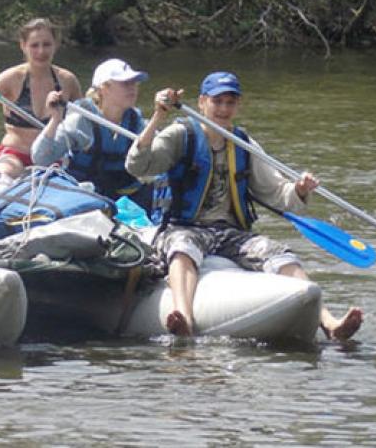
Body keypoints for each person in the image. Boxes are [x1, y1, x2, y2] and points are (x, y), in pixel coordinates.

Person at [125, 71, 363, 340]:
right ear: (202, 102)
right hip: (183, 226)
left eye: (230, 102)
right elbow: (137, 166)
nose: (224, 109)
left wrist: (299, 189)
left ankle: (329, 323)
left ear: (238, 105)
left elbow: (277, 193)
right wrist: (158, 116)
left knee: (281, 254)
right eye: (218, 102)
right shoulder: (181, 135)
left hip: (231, 232)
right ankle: (185, 317)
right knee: (183, 249)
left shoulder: (243, 144)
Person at [0, 18, 82, 177]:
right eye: (34, 45)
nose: (41, 52)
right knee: (5, 173)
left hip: (52, 159)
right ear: (23, 46)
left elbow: (82, 127)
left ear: (56, 45)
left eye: (46, 44)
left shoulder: (68, 81)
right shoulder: (11, 78)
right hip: (14, 156)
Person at [31, 58, 153, 212]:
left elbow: (159, 154)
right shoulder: (81, 120)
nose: (132, 88)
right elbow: (41, 157)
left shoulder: (137, 123)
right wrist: (55, 119)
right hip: (86, 195)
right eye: (125, 83)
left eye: (134, 83)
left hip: (124, 195)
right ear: (103, 88)